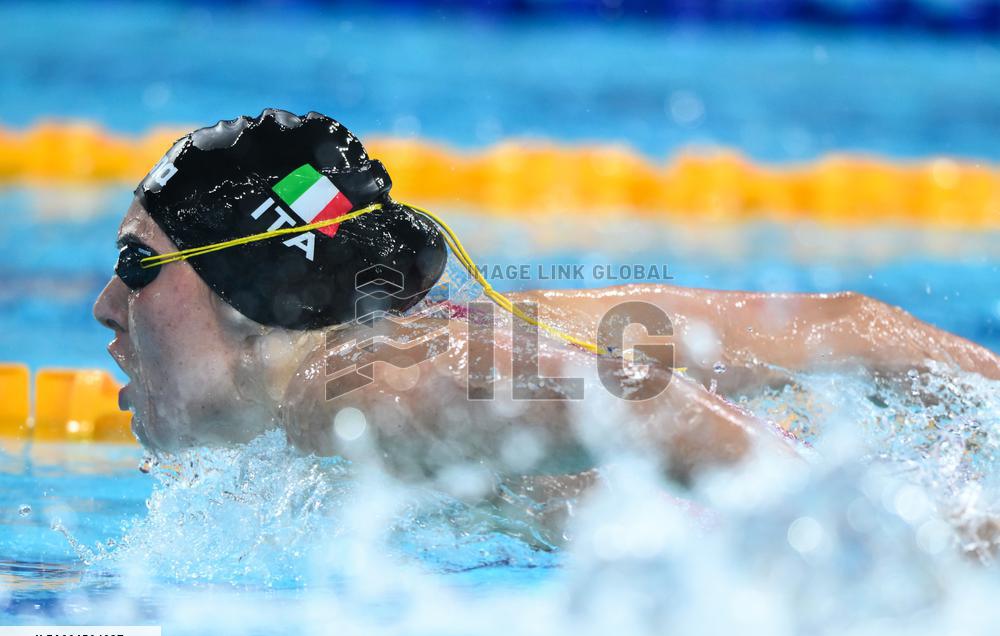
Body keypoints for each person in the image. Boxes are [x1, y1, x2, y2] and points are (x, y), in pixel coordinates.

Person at [93, 109, 1000, 493]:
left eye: (138, 264)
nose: (105, 306)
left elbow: (626, 406)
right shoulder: (455, 337)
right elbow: (846, 326)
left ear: (252, 293)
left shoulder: (346, 395)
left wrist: (896, 545)